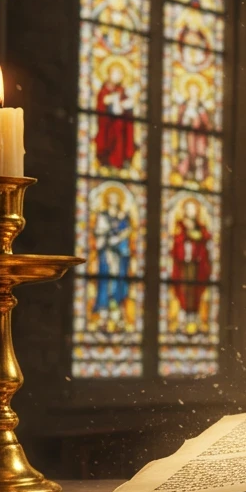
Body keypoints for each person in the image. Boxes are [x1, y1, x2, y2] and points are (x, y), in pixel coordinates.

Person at [91, 188, 133, 330]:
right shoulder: (103, 216)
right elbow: (100, 234)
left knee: (118, 282)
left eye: (116, 198)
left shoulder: (123, 217)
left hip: (120, 256)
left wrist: (122, 235)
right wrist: (111, 238)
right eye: (111, 198)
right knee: (106, 282)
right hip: (107, 254)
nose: (114, 200)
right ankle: (104, 314)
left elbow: (126, 236)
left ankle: (116, 312)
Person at [171, 198, 213, 333]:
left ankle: (194, 316)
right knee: (183, 289)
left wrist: (197, 235)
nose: (191, 211)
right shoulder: (180, 225)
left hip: (196, 265)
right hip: (183, 264)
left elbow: (206, 239)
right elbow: (176, 243)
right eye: (188, 208)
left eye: (193, 208)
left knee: (195, 291)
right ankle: (183, 315)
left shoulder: (201, 227)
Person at [93, 60, 136, 172]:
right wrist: (109, 101)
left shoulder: (122, 91)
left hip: (121, 126)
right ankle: (107, 163)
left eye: (121, 74)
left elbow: (128, 106)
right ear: (109, 74)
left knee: (120, 144)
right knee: (108, 142)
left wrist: (127, 105)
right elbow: (101, 105)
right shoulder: (104, 90)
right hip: (108, 124)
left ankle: (120, 164)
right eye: (116, 73)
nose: (119, 76)